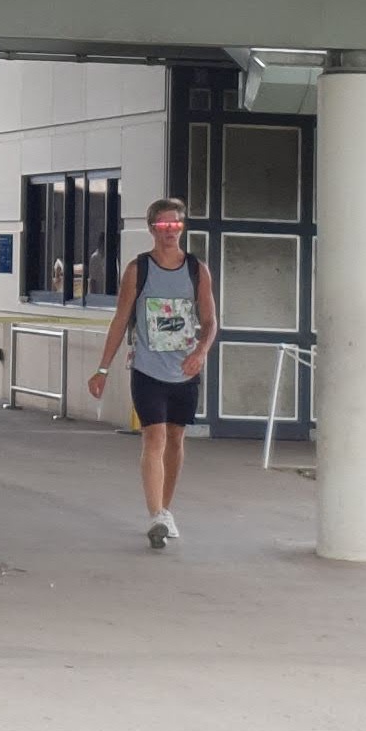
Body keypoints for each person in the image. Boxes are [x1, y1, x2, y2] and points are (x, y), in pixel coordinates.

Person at [89, 196, 215, 549]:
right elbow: (120, 320)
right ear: (151, 229)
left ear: (182, 227)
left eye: (175, 224)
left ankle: (166, 509)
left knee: (175, 439)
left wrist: (201, 352)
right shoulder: (138, 269)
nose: (169, 231)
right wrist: (102, 369)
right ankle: (156, 514)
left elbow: (210, 321)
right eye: (163, 225)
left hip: (185, 370)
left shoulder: (197, 270)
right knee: (154, 437)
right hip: (147, 369)